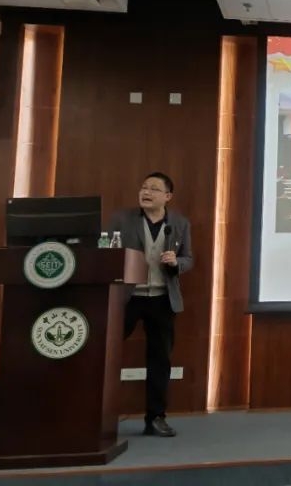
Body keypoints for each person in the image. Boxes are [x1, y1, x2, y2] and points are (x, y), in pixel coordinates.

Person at [110, 172, 193, 438]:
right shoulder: (121, 220)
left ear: (167, 196)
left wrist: (176, 263)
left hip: (162, 298)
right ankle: (99, 414)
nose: (146, 192)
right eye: (144, 187)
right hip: (127, 297)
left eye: (154, 189)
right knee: (106, 354)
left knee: (160, 360)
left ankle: (156, 418)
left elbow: (188, 258)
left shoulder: (179, 223)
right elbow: (106, 251)